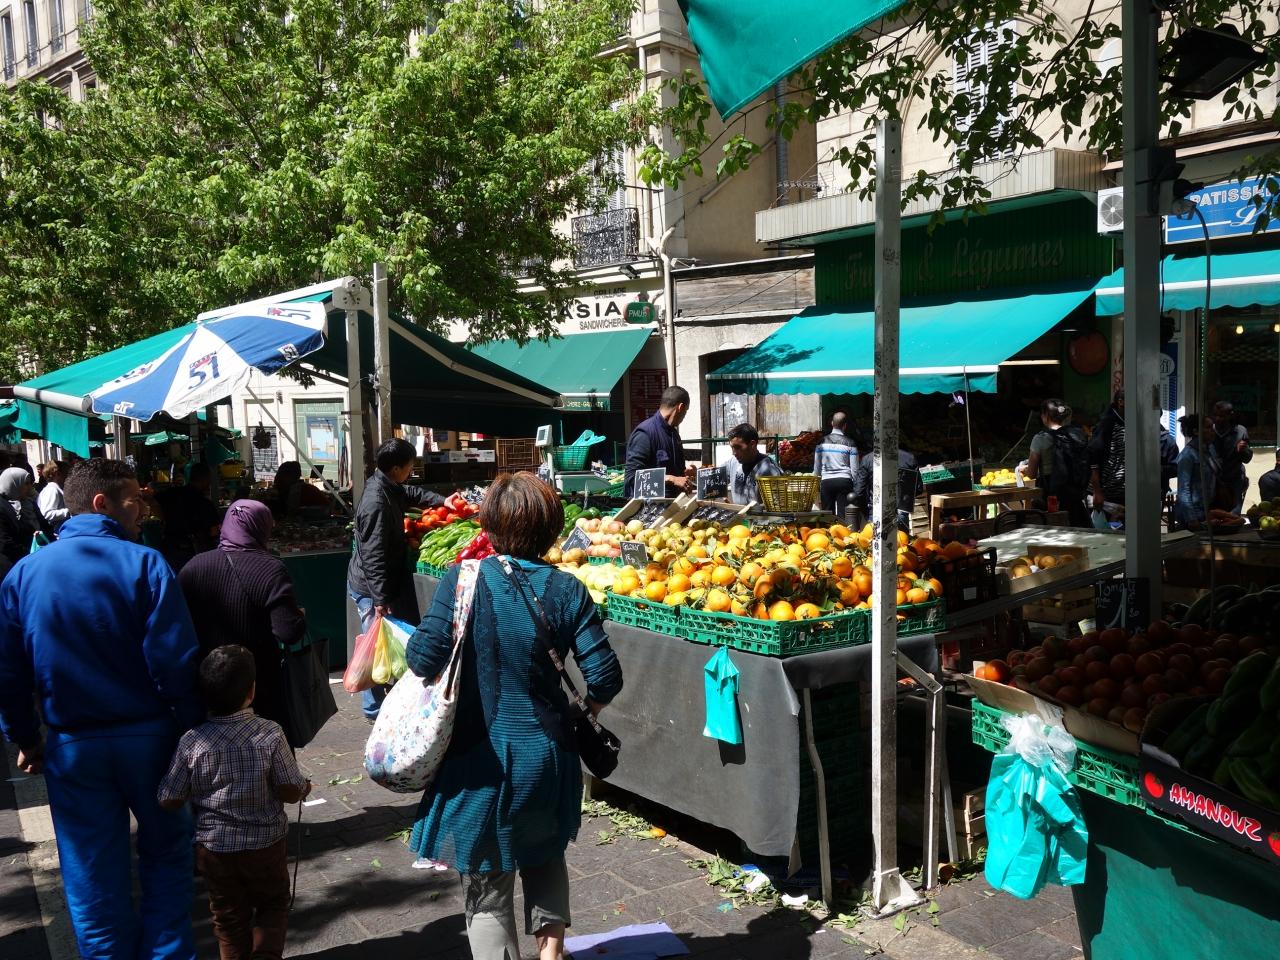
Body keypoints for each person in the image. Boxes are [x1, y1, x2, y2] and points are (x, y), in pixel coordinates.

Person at [406, 473, 622, 960]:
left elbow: (422, 658)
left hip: (477, 758)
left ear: (488, 526)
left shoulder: (462, 579)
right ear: (552, 528)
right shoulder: (567, 589)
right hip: (547, 754)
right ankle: (551, 954)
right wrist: (583, 712)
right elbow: (605, 677)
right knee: (545, 851)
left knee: (486, 876)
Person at [0, 459, 202, 960]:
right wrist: (194, 727)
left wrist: (25, 737)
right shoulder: (146, 564)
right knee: (167, 859)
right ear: (102, 502)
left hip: (73, 746)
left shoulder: (25, 574)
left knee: (92, 873)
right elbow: (175, 661)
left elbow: (9, 673)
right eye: (135, 499)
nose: (143, 509)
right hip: (150, 740)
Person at [158, 645, 310, 960]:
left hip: (214, 851)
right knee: (272, 905)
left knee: (228, 919)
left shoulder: (192, 741)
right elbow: (289, 790)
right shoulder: (270, 734)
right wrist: (303, 788)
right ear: (251, 692)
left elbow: (168, 797)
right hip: (265, 845)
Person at [178, 499, 306, 736]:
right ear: (261, 527)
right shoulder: (271, 569)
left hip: (207, 683)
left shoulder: (193, 567)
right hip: (257, 685)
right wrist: (298, 616)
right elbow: (288, 633)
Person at [348, 438, 446, 722]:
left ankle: (387, 701)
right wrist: (380, 599)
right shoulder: (376, 503)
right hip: (369, 586)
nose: (411, 471)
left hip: (380, 582)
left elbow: (410, 492)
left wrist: (442, 501)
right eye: (409, 466)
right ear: (395, 468)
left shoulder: (386, 485)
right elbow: (373, 556)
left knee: (382, 647)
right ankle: (374, 709)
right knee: (374, 649)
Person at [1023, 399, 1091, 527]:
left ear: (1045, 416)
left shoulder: (1040, 438)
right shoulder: (1075, 435)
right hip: (1074, 494)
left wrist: (1024, 468)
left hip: (1051, 497)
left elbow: (1031, 474)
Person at [624, 386, 691, 497]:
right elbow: (632, 477)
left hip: (672, 503)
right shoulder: (645, 433)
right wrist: (671, 479)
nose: (684, 417)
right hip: (648, 505)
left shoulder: (674, 434)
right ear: (680, 407)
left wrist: (685, 472)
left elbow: (675, 473)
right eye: (686, 411)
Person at [155, 461, 222, 571]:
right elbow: (214, 532)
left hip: (171, 548)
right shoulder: (204, 503)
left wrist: (163, 518)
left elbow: (153, 500)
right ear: (205, 479)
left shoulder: (172, 493)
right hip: (194, 552)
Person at [851, 441, 918, 531]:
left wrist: (865, 510)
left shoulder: (867, 459)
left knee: (875, 538)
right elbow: (918, 488)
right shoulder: (909, 458)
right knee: (901, 538)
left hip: (876, 508)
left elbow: (859, 491)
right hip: (901, 508)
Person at [0, 465, 52, 569]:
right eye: (26, 483)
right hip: (17, 564)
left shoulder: (29, 503)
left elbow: (45, 526)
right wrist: (32, 553)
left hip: (41, 558)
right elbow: (5, 543)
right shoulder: (3, 507)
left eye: (30, 483)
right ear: (13, 484)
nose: (30, 487)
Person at [1174, 413, 1221, 529]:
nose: (1212, 431)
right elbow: (1183, 490)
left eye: (1213, 427)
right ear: (1196, 431)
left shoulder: (1210, 449)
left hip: (1207, 511)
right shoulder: (1187, 456)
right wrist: (1192, 519)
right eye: (1208, 427)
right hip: (1192, 514)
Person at [721, 423, 781, 505]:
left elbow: (776, 505)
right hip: (737, 513)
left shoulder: (769, 470)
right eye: (732, 447)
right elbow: (715, 478)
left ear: (752, 444)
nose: (734, 453)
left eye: (738, 447)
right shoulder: (733, 462)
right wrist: (721, 493)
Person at [1088, 389, 1127, 514]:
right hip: (1107, 494)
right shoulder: (1107, 424)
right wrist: (1097, 491)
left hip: (1125, 491)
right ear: (1121, 402)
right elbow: (1093, 459)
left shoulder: (1130, 423)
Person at [814, 411, 859, 518]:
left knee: (827, 516)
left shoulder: (821, 442)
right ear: (845, 426)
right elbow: (855, 469)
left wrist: (817, 485)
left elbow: (817, 467)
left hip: (826, 481)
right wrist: (856, 485)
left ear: (832, 423)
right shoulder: (851, 443)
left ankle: (829, 529)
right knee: (843, 515)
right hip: (844, 481)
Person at [1211, 401, 1253, 513]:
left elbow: (1247, 459)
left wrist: (1243, 451)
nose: (1217, 419)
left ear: (1230, 415)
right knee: (1213, 514)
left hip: (1234, 480)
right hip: (1212, 481)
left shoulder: (1240, 431)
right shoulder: (1208, 430)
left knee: (1233, 514)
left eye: (1221, 416)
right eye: (1215, 415)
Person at [36, 460, 71, 533]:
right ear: (57, 474)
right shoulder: (52, 490)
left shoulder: (56, 488)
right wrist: (69, 511)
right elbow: (47, 514)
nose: (69, 477)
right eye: (67, 473)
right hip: (56, 532)